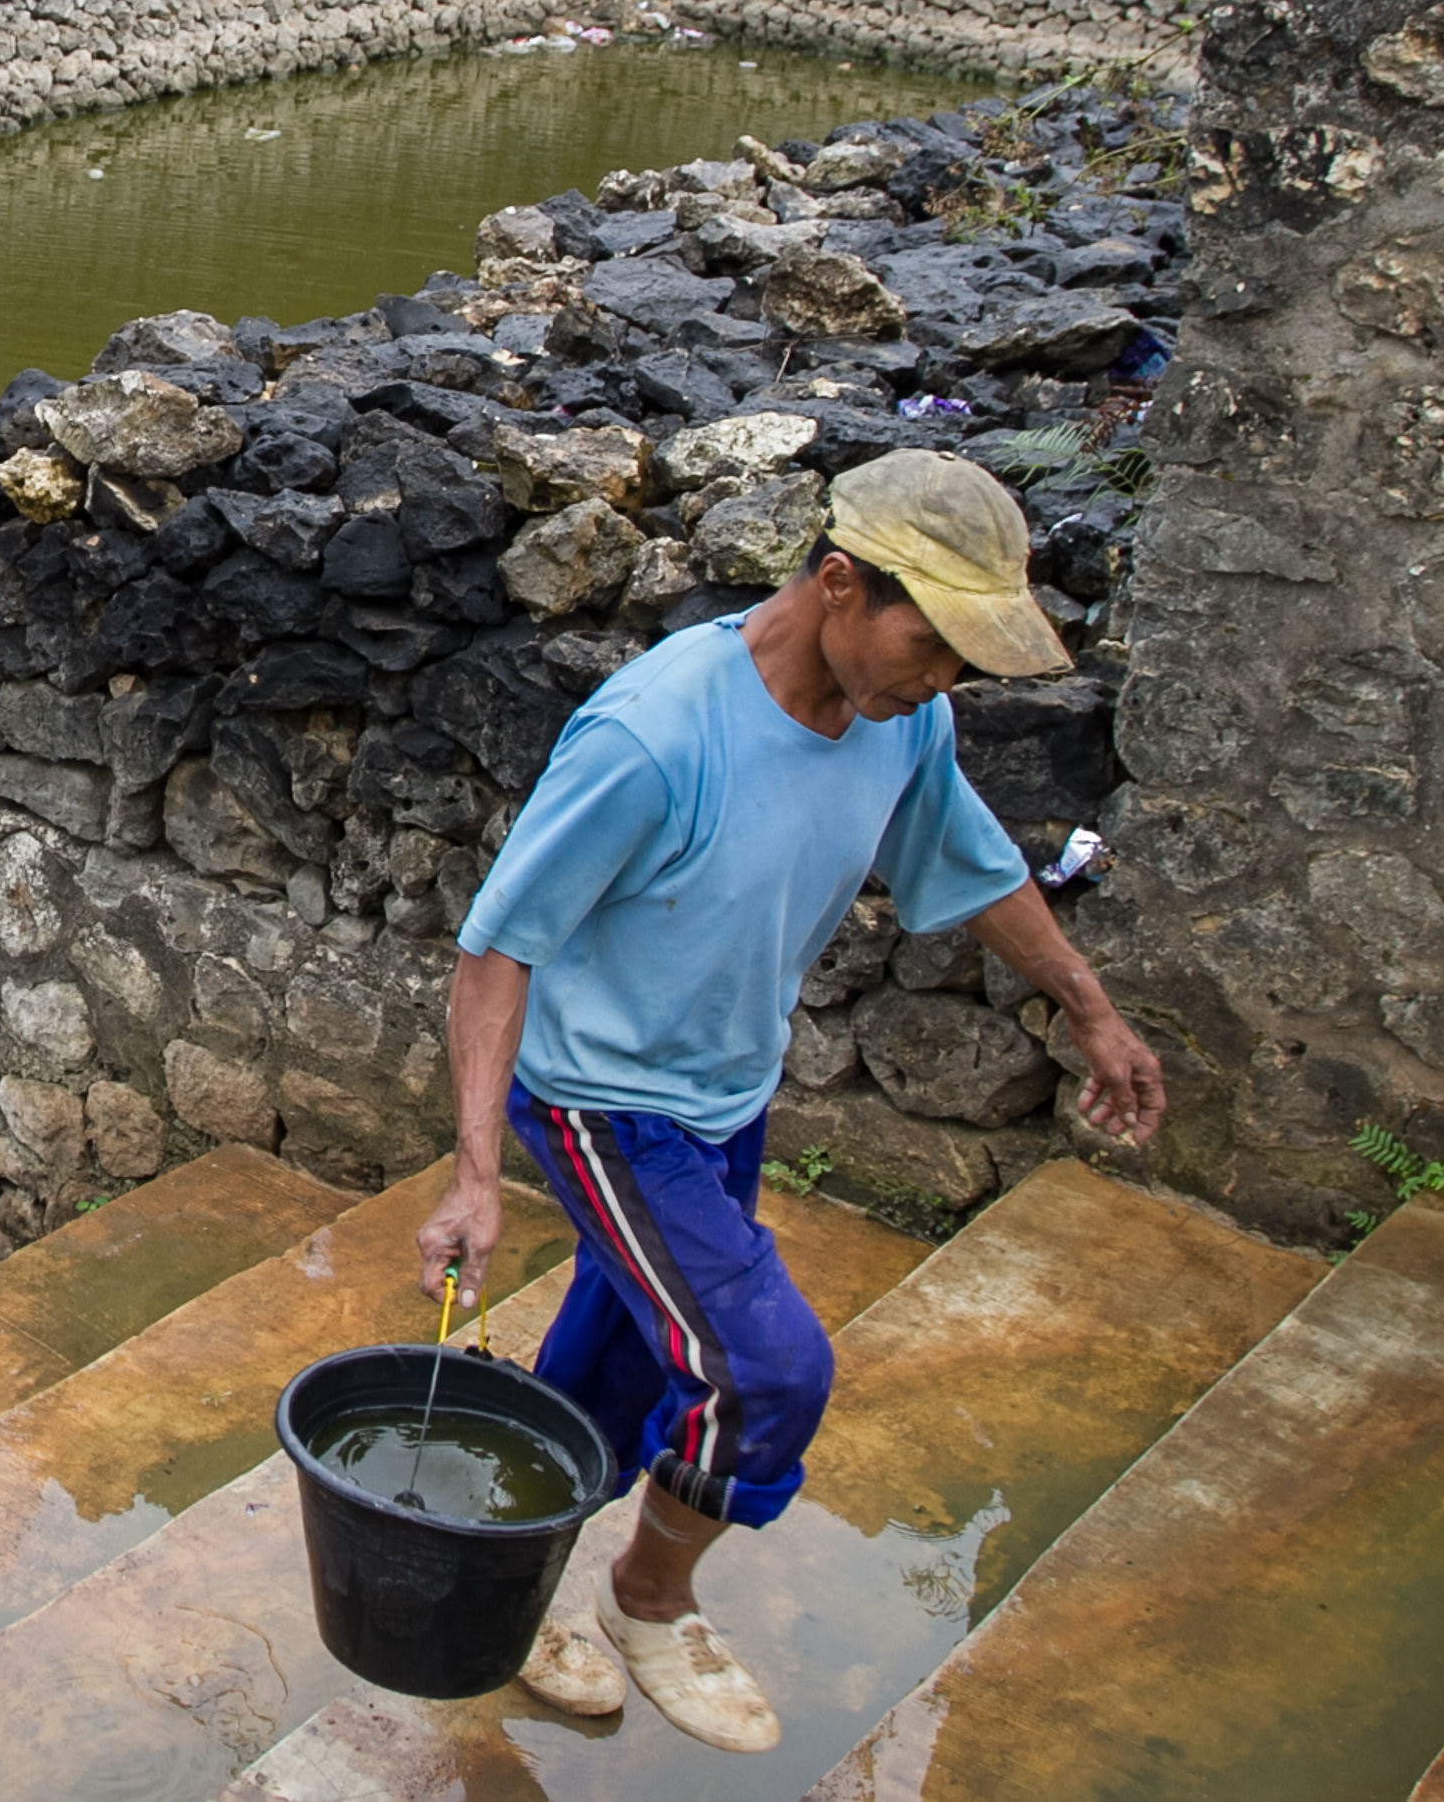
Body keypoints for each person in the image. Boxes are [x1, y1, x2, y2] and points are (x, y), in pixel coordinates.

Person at [411, 448, 1165, 1755]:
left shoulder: (901, 718)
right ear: (838, 583)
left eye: (963, 659)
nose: (943, 681)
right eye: (932, 644)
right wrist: (476, 1174)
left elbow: (970, 862)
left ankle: (501, 1577)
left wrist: (1090, 1007)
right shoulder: (655, 737)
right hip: (605, 1104)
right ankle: (649, 1596)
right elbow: (498, 948)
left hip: (725, 1090)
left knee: (624, 1355)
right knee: (758, 1372)